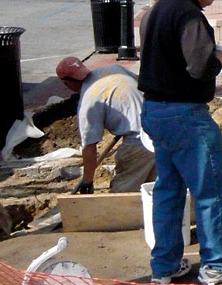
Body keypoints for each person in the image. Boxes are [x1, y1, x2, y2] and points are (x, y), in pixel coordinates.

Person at [137, 0, 222, 285]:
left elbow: (161, 54)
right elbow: (199, 66)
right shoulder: (189, 15)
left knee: (169, 190)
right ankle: (216, 264)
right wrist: (221, 58)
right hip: (185, 115)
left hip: (155, 111)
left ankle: (164, 266)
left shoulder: (157, 10)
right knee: (211, 190)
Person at [55, 56, 156, 194]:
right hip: (161, 129)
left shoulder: (88, 103)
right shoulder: (113, 69)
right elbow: (142, 85)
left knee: (122, 193)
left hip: (139, 142)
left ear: (67, 83)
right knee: (153, 188)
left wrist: (87, 181)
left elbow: (89, 148)